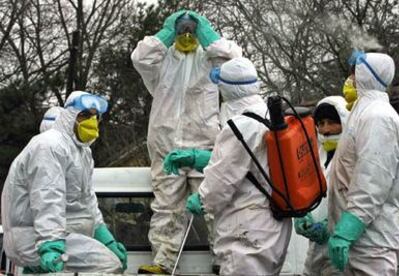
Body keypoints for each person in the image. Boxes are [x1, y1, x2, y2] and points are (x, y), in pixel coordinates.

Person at [131, 9, 242, 274]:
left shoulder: (211, 60)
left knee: (215, 205)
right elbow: (140, 57)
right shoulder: (161, 62)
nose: (187, 35)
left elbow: (234, 60)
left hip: (204, 146)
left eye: (192, 31)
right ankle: (163, 262)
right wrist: (168, 31)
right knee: (166, 207)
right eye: (182, 31)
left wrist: (206, 32)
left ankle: (223, 262)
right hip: (165, 145)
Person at [174, 57, 292, 275]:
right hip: (274, 225)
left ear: (226, 89)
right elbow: (249, 166)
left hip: (248, 228)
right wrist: (202, 159)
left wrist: (202, 198)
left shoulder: (241, 125)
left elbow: (224, 178)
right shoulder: (267, 114)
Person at [1, 91, 127, 273]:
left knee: (107, 260)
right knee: (107, 265)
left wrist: (106, 239)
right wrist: (51, 244)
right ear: (69, 116)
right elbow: (47, 196)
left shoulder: (83, 153)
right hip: (35, 239)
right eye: (84, 115)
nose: (91, 121)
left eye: (95, 116)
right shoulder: (50, 145)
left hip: (59, 237)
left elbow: (87, 201)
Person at [327, 52, 399, 275]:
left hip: (372, 239)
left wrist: (348, 228)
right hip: (363, 238)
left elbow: (372, 181)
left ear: (365, 74)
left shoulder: (378, 117)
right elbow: (346, 173)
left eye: (354, 72)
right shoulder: (363, 112)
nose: (350, 78)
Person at [294, 96, 349, 276]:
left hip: (343, 247)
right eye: (321, 123)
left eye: (332, 122)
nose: (325, 129)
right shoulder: (319, 155)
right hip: (316, 247)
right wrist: (302, 214)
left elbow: (361, 201)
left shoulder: (352, 156)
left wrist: (331, 226)